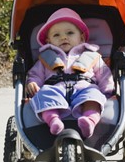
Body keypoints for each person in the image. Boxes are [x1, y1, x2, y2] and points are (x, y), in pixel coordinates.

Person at [26, 8, 116, 138]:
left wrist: (107, 90)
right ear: (48, 41)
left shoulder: (91, 56)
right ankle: (53, 121)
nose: (63, 37)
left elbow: (104, 75)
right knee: (43, 94)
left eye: (70, 33)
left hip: (84, 89)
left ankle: (89, 121)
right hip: (55, 90)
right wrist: (33, 82)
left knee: (94, 96)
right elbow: (36, 74)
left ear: (82, 38)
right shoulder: (46, 58)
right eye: (56, 35)